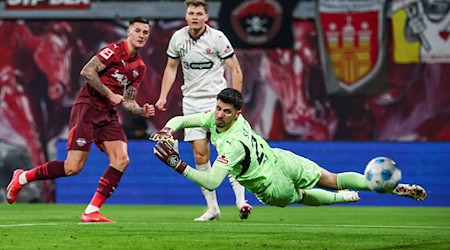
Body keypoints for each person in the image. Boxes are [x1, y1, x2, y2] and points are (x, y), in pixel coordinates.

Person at [151, 88, 427, 209]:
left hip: (271, 180)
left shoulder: (233, 145)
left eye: (226, 111)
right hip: (276, 164)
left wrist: (178, 164)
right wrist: (167, 129)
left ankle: (351, 196)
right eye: (218, 108)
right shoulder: (216, 117)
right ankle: (369, 191)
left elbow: (211, 181)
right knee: (324, 182)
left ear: (238, 114)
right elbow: (184, 119)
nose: (219, 115)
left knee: (313, 189)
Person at [5, 17, 155, 222]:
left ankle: (92, 210)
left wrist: (141, 110)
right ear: (129, 32)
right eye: (137, 31)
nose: (141, 35)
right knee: (72, 167)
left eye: (145, 33)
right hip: (87, 108)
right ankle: (22, 177)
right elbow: (87, 71)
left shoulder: (139, 66)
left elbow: (128, 102)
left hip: (107, 115)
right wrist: (109, 94)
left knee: (122, 159)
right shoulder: (113, 50)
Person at [155, 0, 250, 221]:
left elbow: (235, 69)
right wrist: (162, 96)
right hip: (191, 102)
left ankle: (241, 200)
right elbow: (171, 68)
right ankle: (213, 208)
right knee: (200, 154)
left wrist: (235, 105)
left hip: (218, 102)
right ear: (186, 16)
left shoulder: (217, 38)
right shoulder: (178, 38)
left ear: (206, 17)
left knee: (228, 151)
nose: (195, 16)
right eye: (191, 13)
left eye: (199, 13)